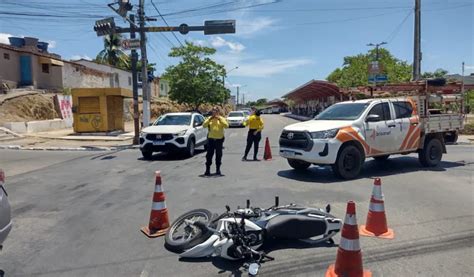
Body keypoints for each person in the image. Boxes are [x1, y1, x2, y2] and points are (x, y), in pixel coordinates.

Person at [202, 106, 228, 176]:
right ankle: (207, 170)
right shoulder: (209, 119)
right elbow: (204, 125)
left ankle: (218, 169)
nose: (214, 111)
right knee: (209, 155)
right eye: (213, 110)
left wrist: (219, 118)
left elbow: (226, 126)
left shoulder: (222, 119)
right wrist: (210, 118)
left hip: (219, 140)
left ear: (218, 111)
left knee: (218, 155)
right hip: (211, 140)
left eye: (216, 110)